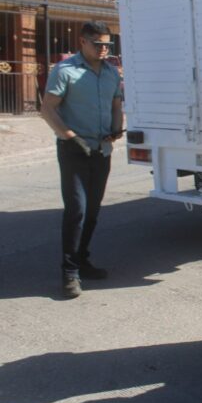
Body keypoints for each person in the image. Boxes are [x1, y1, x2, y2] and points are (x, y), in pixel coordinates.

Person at [41, 21, 124, 298]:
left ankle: (82, 260)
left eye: (107, 45)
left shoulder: (111, 72)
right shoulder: (65, 71)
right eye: (97, 44)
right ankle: (69, 272)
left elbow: (116, 104)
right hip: (73, 149)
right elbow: (47, 109)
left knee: (93, 211)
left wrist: (116, 127)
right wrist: (69, 137)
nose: (103, 49)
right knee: (76, 210)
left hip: (101, 151)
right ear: (82, 42)